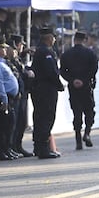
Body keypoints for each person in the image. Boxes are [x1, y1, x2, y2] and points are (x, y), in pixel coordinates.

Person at [60, 31, 99, 149]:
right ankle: (87, 133)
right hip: (86, 87)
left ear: (74, 40)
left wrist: (72, 80)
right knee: (89, 111)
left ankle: (78, 139)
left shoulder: (66, 54)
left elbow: (62, 71)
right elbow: (94, 69)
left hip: (73, 88)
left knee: (76, 113)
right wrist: (84, 80)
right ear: (84, 40)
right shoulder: (90, 53)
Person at [30, 26, 63, 159]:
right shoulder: (46, 52)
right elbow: (51, 72)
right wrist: (59, 85)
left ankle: (39, 146)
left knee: (39, 117)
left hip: (39, 89)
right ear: (49, 38)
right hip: (46, 89)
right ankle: (43, 148)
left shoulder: (40, 50)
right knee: (46, 117)